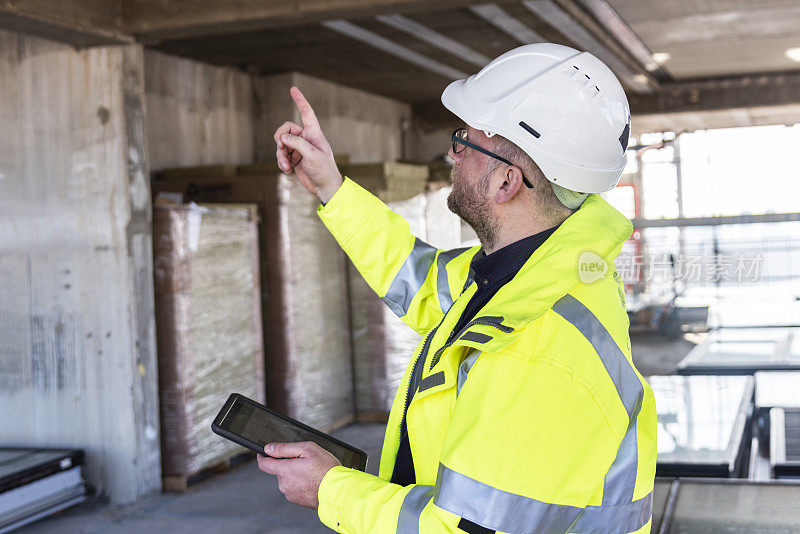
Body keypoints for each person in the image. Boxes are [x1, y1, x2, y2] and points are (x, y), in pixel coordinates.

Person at [257, 43, 656, 534]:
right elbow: (421, 282)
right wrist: (331, 187)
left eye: (465, 139)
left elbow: (462, 529)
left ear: (506, 181)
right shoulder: (524, 273)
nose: (452, 151)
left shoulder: (536, 349)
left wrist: (330, 490)